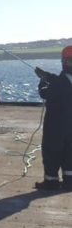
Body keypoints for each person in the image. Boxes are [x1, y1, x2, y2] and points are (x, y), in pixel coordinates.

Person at [33, 46, 72, 191]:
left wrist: (43, 81)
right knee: (70, 154)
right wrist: (48, 76)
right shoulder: (63, 80)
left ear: (64, 61)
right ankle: (69, 182)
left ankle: (51, 182)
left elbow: (45, 93)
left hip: (56, 126)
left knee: (52, 152)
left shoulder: (60, 82)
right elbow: (62, 82)